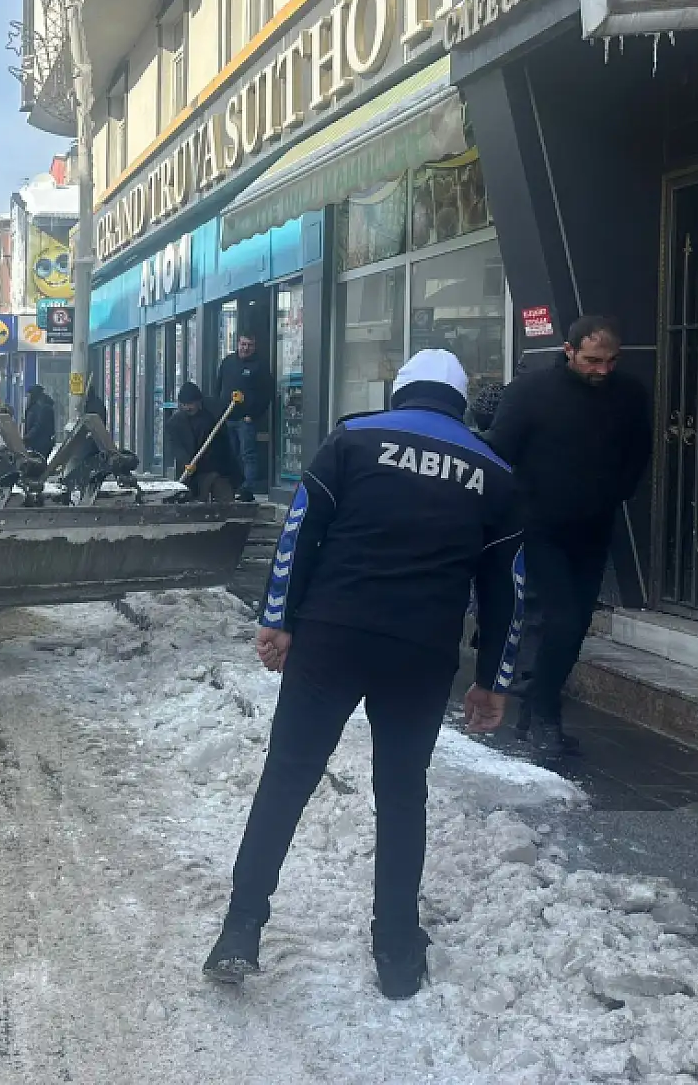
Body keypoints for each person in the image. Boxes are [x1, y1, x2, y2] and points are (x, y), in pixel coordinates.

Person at [204, 349, 524, 999]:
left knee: (288, 777)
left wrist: (277, 618)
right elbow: (506, 590)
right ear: (460, 405)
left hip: (333, 637)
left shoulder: (353, 439)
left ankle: (241, 929)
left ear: (400, 392)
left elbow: (300, 532)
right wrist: (493, 679)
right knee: (403, 794)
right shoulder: (494, 473)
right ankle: (397, 949)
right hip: (421, 653)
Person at [483, 315, 652, 756]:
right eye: (593, 360)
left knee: (576, 623)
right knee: (558, 618)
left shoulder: (629, 395)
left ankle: (533, 709)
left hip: (594, 527)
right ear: (569, 350)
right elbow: (499, 451)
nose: (602, 370)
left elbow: (639, 452)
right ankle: (542, 715)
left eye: (611, 362)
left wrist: (615, 493)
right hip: (537, 527)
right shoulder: (530, 393)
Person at [215, 332, 274, 502]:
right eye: (243, 344)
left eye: (250, 345)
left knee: (248, 454)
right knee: (232, 454)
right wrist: (220, 411)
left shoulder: (259, 366)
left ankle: (248, 488)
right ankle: (235, 485)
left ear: (254, 346)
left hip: (246, 420)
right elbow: (218, 386)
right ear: (238, 344)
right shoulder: (227, 363)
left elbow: (266, 394)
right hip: (228, 418)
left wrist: (253, 415)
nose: (246, 348)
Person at [164, 380, 242, 501]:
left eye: (190, 404)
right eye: (183, 404)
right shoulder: (174, 423)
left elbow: (229, 411)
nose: (187, 408)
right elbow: (175, 446)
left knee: (221, 491)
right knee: (190, 497)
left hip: (213, 466)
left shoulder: (212, 413)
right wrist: (186, 462)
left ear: (198, 402)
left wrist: (235, 401)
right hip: (190, 470)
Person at [22, 384, 58, 461]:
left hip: (39, 444)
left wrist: (27, 437)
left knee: (37, 464)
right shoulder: (37, 406)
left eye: (29, 395)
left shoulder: (42, 407)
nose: (28, 397)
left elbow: (38, 425)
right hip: (38, 443)